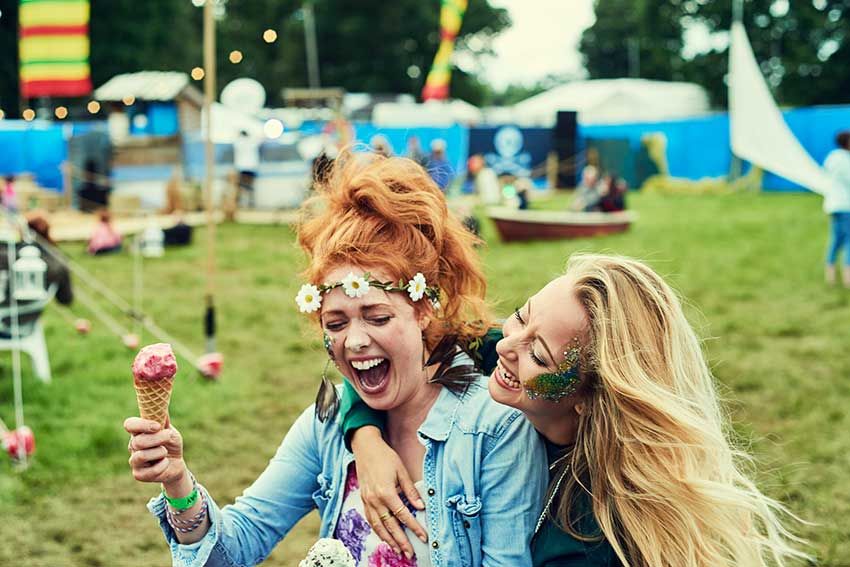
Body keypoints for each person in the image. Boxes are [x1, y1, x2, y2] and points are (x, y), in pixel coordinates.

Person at [124, 152, 547, 566]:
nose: (356, 341)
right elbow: (232, 550)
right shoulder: (324, 426)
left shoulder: (494, 428)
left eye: (377, 316)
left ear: (423, 311)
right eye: (336, 322)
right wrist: (177, 482)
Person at [341, 254, 809, 567]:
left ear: (588, 397)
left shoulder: (593, 534)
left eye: (538, 356)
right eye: (522, 315)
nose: (505, 345)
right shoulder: (508, 359)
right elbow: (376, 353)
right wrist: (366, 438)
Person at [823, 130, 850, 286]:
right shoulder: (845, 160)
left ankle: (830, 277)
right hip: (846, 206)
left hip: (833, 205)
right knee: (849, 241)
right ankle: (848, 279)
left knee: (836, 240)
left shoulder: (831, 158)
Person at [233, 129, 261, 208]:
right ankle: (250, 203)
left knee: (240, 186)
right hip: (251, 167)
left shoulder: (238, 142)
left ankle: (238, 203)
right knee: (250, 186)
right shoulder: (252, 141)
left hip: (241, 167)